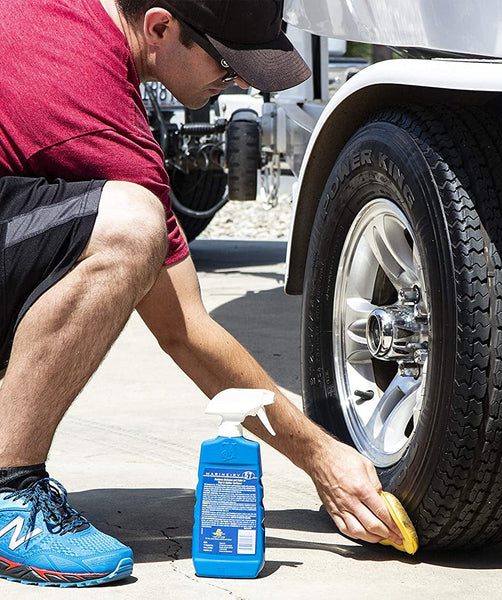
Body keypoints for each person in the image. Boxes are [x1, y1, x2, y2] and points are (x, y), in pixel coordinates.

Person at [0, 0, 402, 587]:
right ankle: (10, 496)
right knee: (128, 227)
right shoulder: (83, 98)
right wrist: (321, 456)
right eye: (227, 62)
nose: (240, 82)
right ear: (161, 27)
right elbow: (185, 329)